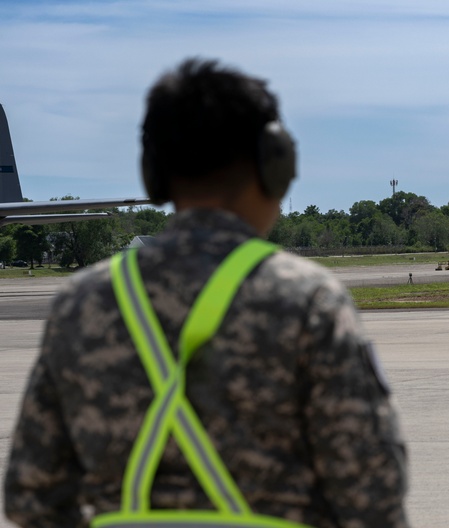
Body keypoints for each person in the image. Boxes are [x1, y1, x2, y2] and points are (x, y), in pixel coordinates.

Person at [4, 58, 409, 527]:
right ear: (275, 164)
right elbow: (372, 495)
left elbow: (31, 496)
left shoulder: (81, 303)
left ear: (154, 172)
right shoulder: (307, 301)